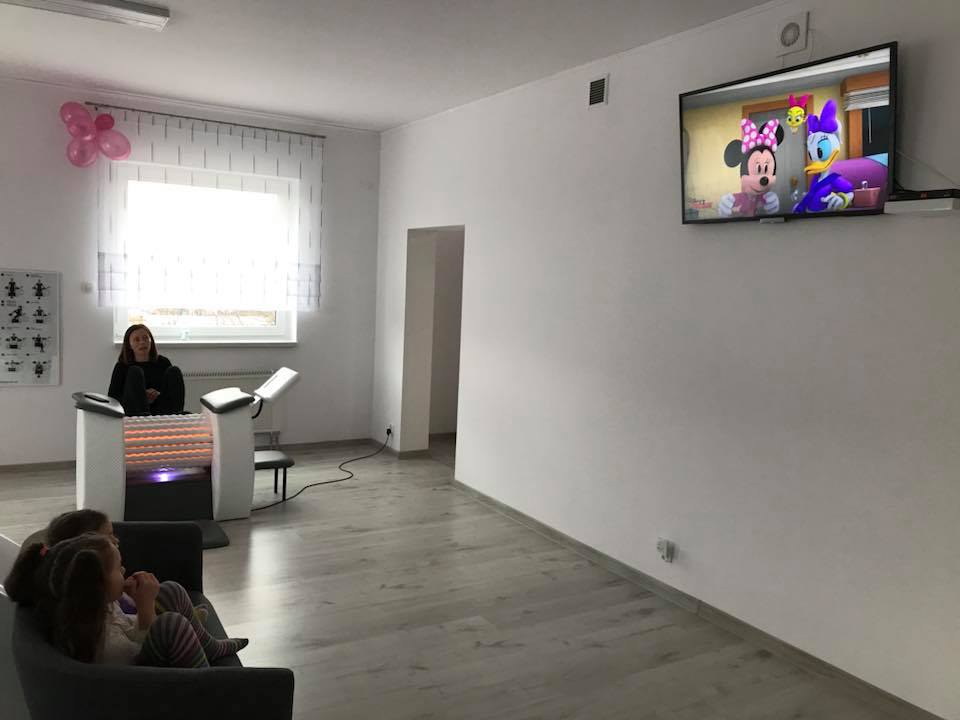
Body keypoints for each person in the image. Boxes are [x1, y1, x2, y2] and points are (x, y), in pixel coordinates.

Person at [3, 533, 246, 667]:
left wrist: (136, 600)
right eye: (118, 568)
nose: (124, 570)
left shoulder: (94, 606)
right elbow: (137, 654)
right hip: (142, 678)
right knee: (171, 625)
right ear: (98, 586)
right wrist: (145, 608)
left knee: (170, 590)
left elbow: (128, 626)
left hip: (139, 646)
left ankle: (211, 648)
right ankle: (208, 684)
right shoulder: (104, 645)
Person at [41, 509, 207, 620]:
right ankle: (184, 625)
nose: (116, 540)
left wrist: (127, 589)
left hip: (137, 614)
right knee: (168, 610)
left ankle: (188, 620)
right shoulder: (99, 611)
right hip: (144, 627)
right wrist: (145, 604)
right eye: (109, 536)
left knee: (170, 590)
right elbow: (137, 635)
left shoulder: (102, 583)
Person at [108, 324, 185, 416]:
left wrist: (158, 394)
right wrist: (140, 395)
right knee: (135, 371)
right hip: (135, 411)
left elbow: (169, 392)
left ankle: (177, 416)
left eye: (145, 338)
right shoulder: (122, 366)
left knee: (174, 371)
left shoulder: (163, 362)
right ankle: (143, 417)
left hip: (161, 409)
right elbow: (113, 398)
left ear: (151, 341)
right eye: (137, 340)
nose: (142, 342)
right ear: (129, 345)